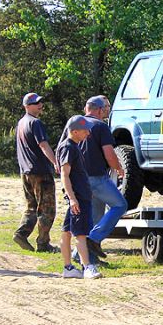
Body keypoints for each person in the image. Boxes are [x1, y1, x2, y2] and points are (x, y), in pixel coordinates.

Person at [60, 96, 127, 262]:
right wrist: (118, 168)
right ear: (99, 110)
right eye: (107, 108)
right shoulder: (101, 126)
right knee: (120, 205)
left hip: (78, 180)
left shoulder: (73, 125)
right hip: (97, 178)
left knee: (93, 217)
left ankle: (81, 256)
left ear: (86, 108)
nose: (108, 111)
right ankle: (94, 239)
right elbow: (109, 153)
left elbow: (60, 149)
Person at [57, 115, 102, 279]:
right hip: (78, 198)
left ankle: (68, 268)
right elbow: (64, 175)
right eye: (85, 130)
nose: (88, 133)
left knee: (67, 231)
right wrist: (72, 198)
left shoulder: (73, 146)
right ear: (74, 131)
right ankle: (87, 267)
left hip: (79, 197)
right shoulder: (68, 147)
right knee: (80, 233)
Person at [14, 92, 60, 253]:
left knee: (32, 206)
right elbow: (43, 145)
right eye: (36, 103)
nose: (40, 105)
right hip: (40, 172)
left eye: (40, 102)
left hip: (25, 172)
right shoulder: (35, 122)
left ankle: (21, 234)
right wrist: (55, 162)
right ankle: (43, 244)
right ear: (26, 106)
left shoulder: (21, 122)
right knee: (47, 209)